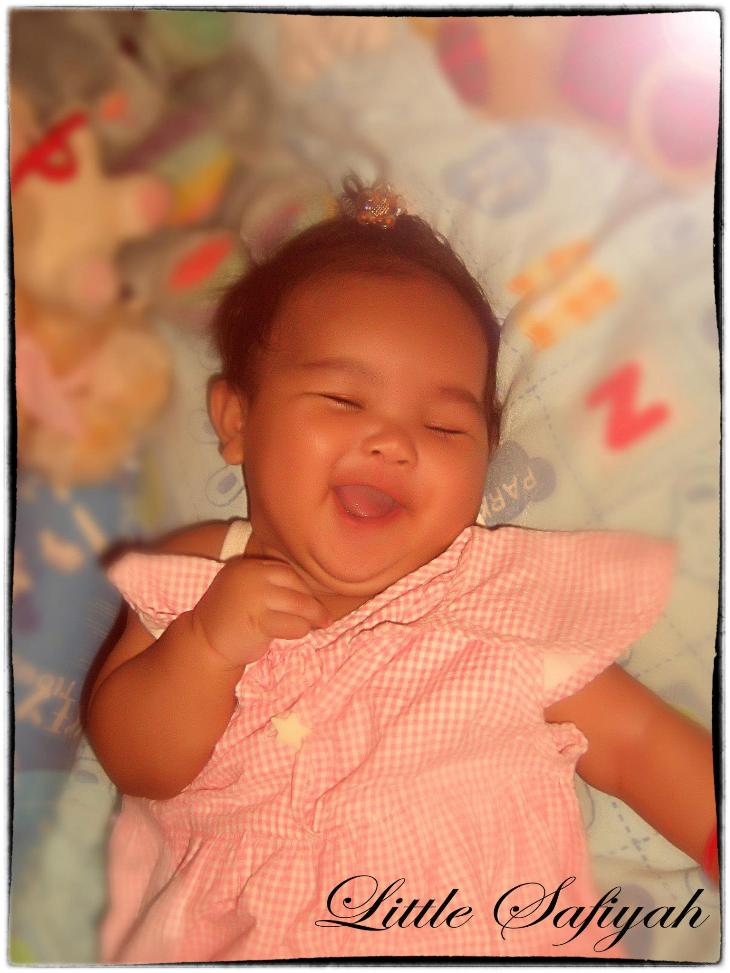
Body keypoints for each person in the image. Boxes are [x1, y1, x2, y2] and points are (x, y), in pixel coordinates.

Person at [85, 177, 717, 962]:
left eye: (443, 425)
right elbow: (136, 759)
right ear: (237, 419)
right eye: (343, 401)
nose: (394, 443)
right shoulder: (203, 572)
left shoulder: (495, 597)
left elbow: (639, 742)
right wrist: (206, 646)